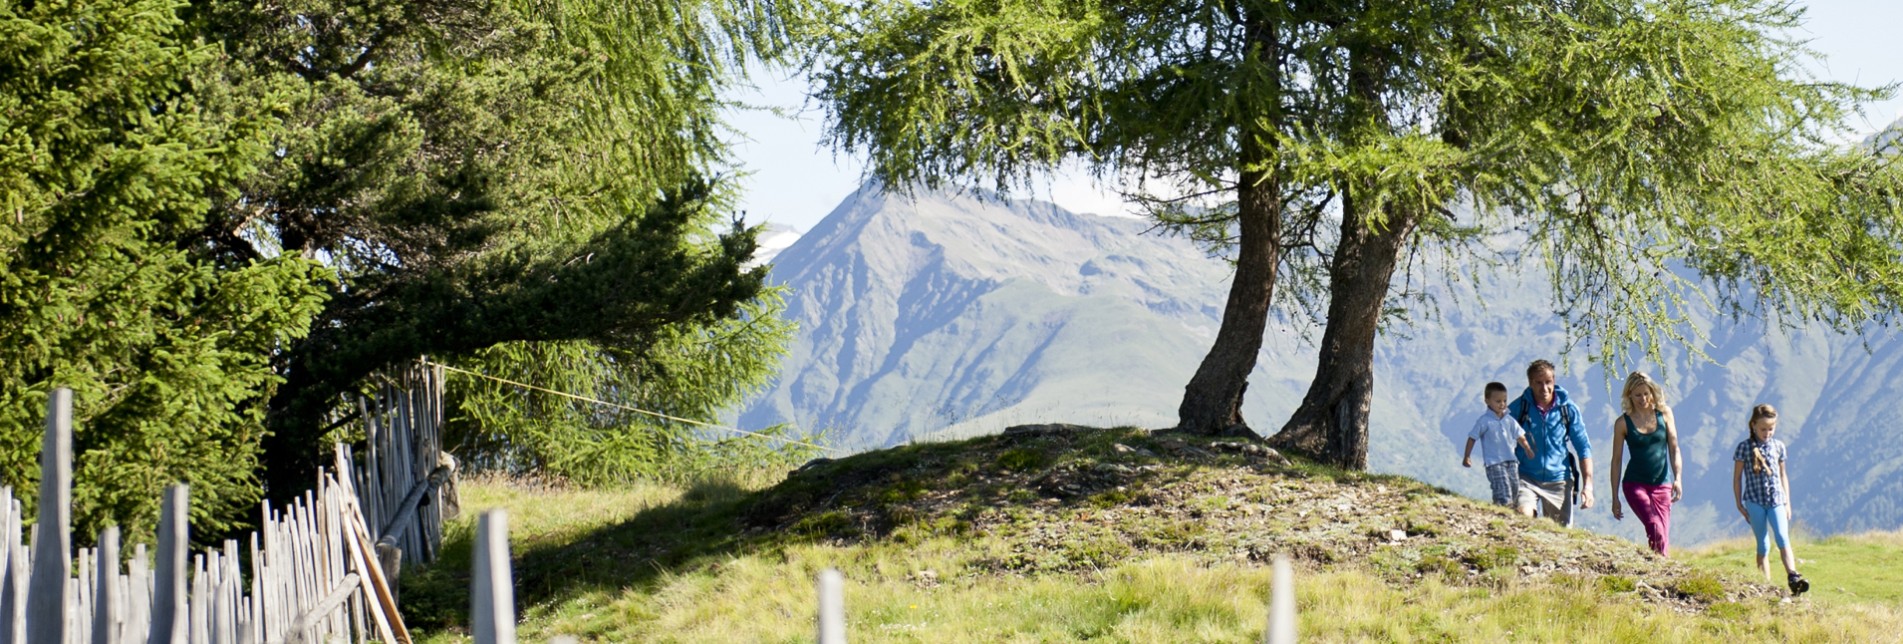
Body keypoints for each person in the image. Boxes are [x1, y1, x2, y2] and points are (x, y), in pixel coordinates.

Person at [1507, 359, 1594, 526]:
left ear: (1554, 381)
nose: (1544, 388)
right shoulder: (1520, 407)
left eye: (1548, 382)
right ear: (1530, 383)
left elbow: (1583, 448)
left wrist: (1588, 486)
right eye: (1538, 383)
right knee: (1523, 519)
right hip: (1526, 478)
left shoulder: (1567, 409)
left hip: (1559, 481)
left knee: (1559, 537)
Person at [1733, 404, 1809, 595]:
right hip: (1754, 501)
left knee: (1783, 538)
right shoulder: (1744, 448)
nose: (1767, 433)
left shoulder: (1779, 446)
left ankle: (1793, 576)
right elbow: (1737, 477)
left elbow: (1783, 475)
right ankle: (1765, 585)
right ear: (1753, 426)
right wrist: (1739, 504)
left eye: (1771, 428)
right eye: (1763, 429)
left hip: (1776, 500)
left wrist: (1787, 502)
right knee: (1763, 543)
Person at [1608, 371, 1682, 556]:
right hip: (1635, 484)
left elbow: (1674, 448)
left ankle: (1661, 571)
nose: (1643, 399)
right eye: (1637, 395)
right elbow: (1616, 461)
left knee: (1662, 535)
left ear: (1652, 392)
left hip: (1662, 485)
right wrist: (1615, 496)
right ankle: (1662, 571)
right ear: (1629, 396)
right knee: (1654, 525)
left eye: (1646, 393)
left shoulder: (1664, 414)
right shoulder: (1622, 424)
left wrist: (1678, 478)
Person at [1463, 381, 1537, 507]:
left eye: (1504, 401)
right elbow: (1472, 438)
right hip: (1494, 462)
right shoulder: (1484, 421)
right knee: (1502, 488)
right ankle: (1503, 509)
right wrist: (1467, 456)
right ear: (1487, 401)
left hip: (1511, 461)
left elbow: (1520, 436)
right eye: (1498, 401)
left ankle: (1503, 509)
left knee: (1514, 487)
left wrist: (1527, 448)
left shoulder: (1509, 420)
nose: (1502, 404)